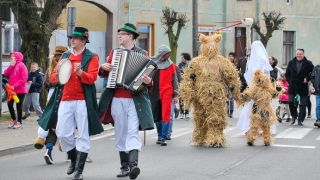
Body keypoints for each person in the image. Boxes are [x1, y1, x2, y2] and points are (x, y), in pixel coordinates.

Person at [38, 27, 104, 180]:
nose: (72, 40)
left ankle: (79, 170)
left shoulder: (91, 57)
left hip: (83, 101)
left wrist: (81, 73)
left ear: (84, 40)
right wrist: (59, 73)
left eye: (76, 38)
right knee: (62, 133)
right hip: (65, 99)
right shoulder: (65, 56)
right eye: (71, 37)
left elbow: (92, 78)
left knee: (83, 135)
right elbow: (54, 78)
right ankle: (74, 159)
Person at [97, 23, 154, 179]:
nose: (119, 36)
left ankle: (134, 165)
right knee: (120, 132)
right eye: (118, 33)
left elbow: (148, 79)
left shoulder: (143, 53)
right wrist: (103, 67)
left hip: (134, 100)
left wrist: (148, 81)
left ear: (131, 36)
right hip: (116, 98)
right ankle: (124, 166)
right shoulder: (113, 53)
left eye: (122, 33)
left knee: (132, 130)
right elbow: (104, 74)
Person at [33, 46, 69, 165]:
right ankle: (69, 152)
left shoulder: (50, 68)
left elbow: (46, 84)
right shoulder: (66, 66)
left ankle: (48, 150)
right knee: (67, 124)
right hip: (64, 98)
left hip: (50, 100)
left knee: (51, 126)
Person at [237, 41, 276, 135]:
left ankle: (250, 128)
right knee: (264, 109)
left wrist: (252, 84)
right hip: (262, 89)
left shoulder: (251, 60)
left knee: (251, 108)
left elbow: (248, 74)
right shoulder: (262, 60)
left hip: (253, 88)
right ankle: (263, 129)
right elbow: (267, 74)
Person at [149, 45, 179, 146]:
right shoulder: (152, 63)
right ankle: (159, 135)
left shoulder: (172, 66)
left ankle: (163, 137)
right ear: (162, 54)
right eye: (167, 54)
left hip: (167, 93)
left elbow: (175, 82)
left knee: (166, 114)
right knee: (157, 115)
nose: (168, 56)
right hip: (153, 92)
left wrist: (176, 95)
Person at [285, 48, 314, 125]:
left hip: (303, 86)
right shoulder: (291, 63)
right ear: (296, 54)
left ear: (303, 54)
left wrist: (307, 78)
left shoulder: (308, 63)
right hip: (293, 86)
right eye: (297, 54)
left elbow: (314, 72)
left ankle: (300, 119)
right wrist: (289, 80)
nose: (299, 55)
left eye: (300, 54)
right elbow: (287, 74)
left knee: (303, 104)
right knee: (291, 101)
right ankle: (294, 116)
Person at [4, 52, 28, 129]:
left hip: (20, 90)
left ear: (17, 57)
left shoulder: (22, 66)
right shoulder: (12, 65)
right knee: (9, 104)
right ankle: (13, 119)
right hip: (11, 91)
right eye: (11, 57)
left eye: (13, 57)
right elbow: (5, 73)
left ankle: (20, 122)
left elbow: (23, 79)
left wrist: (15, 86)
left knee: (19, 106)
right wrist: (11, 65)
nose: (11, 58)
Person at [178, 52, 191, 119]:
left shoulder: (189, 65)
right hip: (182, 82)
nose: (181, 58)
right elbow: (179, 73)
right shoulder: (180, 65)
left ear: (185, 58)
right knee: (181, 98)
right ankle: (181, 112)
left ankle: (187, 112)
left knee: (187, 98)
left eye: (182, 57)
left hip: (188, 83)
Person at [227, 52, 237, 117]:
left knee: (231, 97)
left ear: (234, 57)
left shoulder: (236, 64)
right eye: (230, 56)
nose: (231, 57)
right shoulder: (226, 64)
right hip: (226, 81)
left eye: (232, 56)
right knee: (226, 97)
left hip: (233, 81)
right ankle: (227, 110)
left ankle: (231, 110)